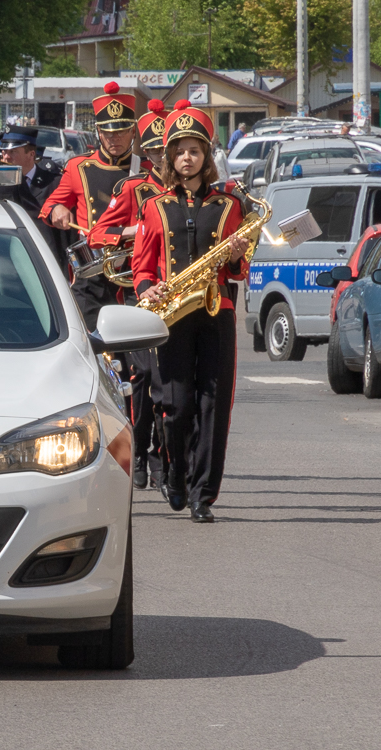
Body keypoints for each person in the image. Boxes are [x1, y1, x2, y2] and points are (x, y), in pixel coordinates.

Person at [132, 100, 252, 523]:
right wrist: (148, 288)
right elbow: (141, 267)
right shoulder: (154, 206)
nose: (187, 158)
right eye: (180, 151)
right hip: (172, 313)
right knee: (177, 405)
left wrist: (236, 255)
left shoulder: (229, 206)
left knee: (213, 405)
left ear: (206, 156)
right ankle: (176, 474)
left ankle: (204, 495)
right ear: (170, 157)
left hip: (216, 312)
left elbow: (239, 270)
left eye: (195, 151)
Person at [88, 99, 170, 491]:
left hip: (184, 295)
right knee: (143, 378)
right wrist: (133, 232)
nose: (162, 159)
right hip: (142, 292)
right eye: (155, 152)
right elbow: (97, 234)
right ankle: (137, 450)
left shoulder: (199, 193)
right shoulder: (135, 188)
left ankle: (165, 456)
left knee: (172, 384)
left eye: (167, 151)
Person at [40, 81, 137, 330]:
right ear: (98, 132)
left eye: (122, 131)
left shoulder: (146, 169)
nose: (115, 138)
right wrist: (57, 209)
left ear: (133, 131)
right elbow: (49, 207)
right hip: (93, 274)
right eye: (108, 132)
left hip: (136, 270)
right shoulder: (79, 167)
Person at [0, 126, 65, 267]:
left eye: (13, 152)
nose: (6, 157)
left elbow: (63, 236)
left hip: (46, 260)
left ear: (31, 154)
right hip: (7, 260)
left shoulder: (54, 183)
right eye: (4, 152)